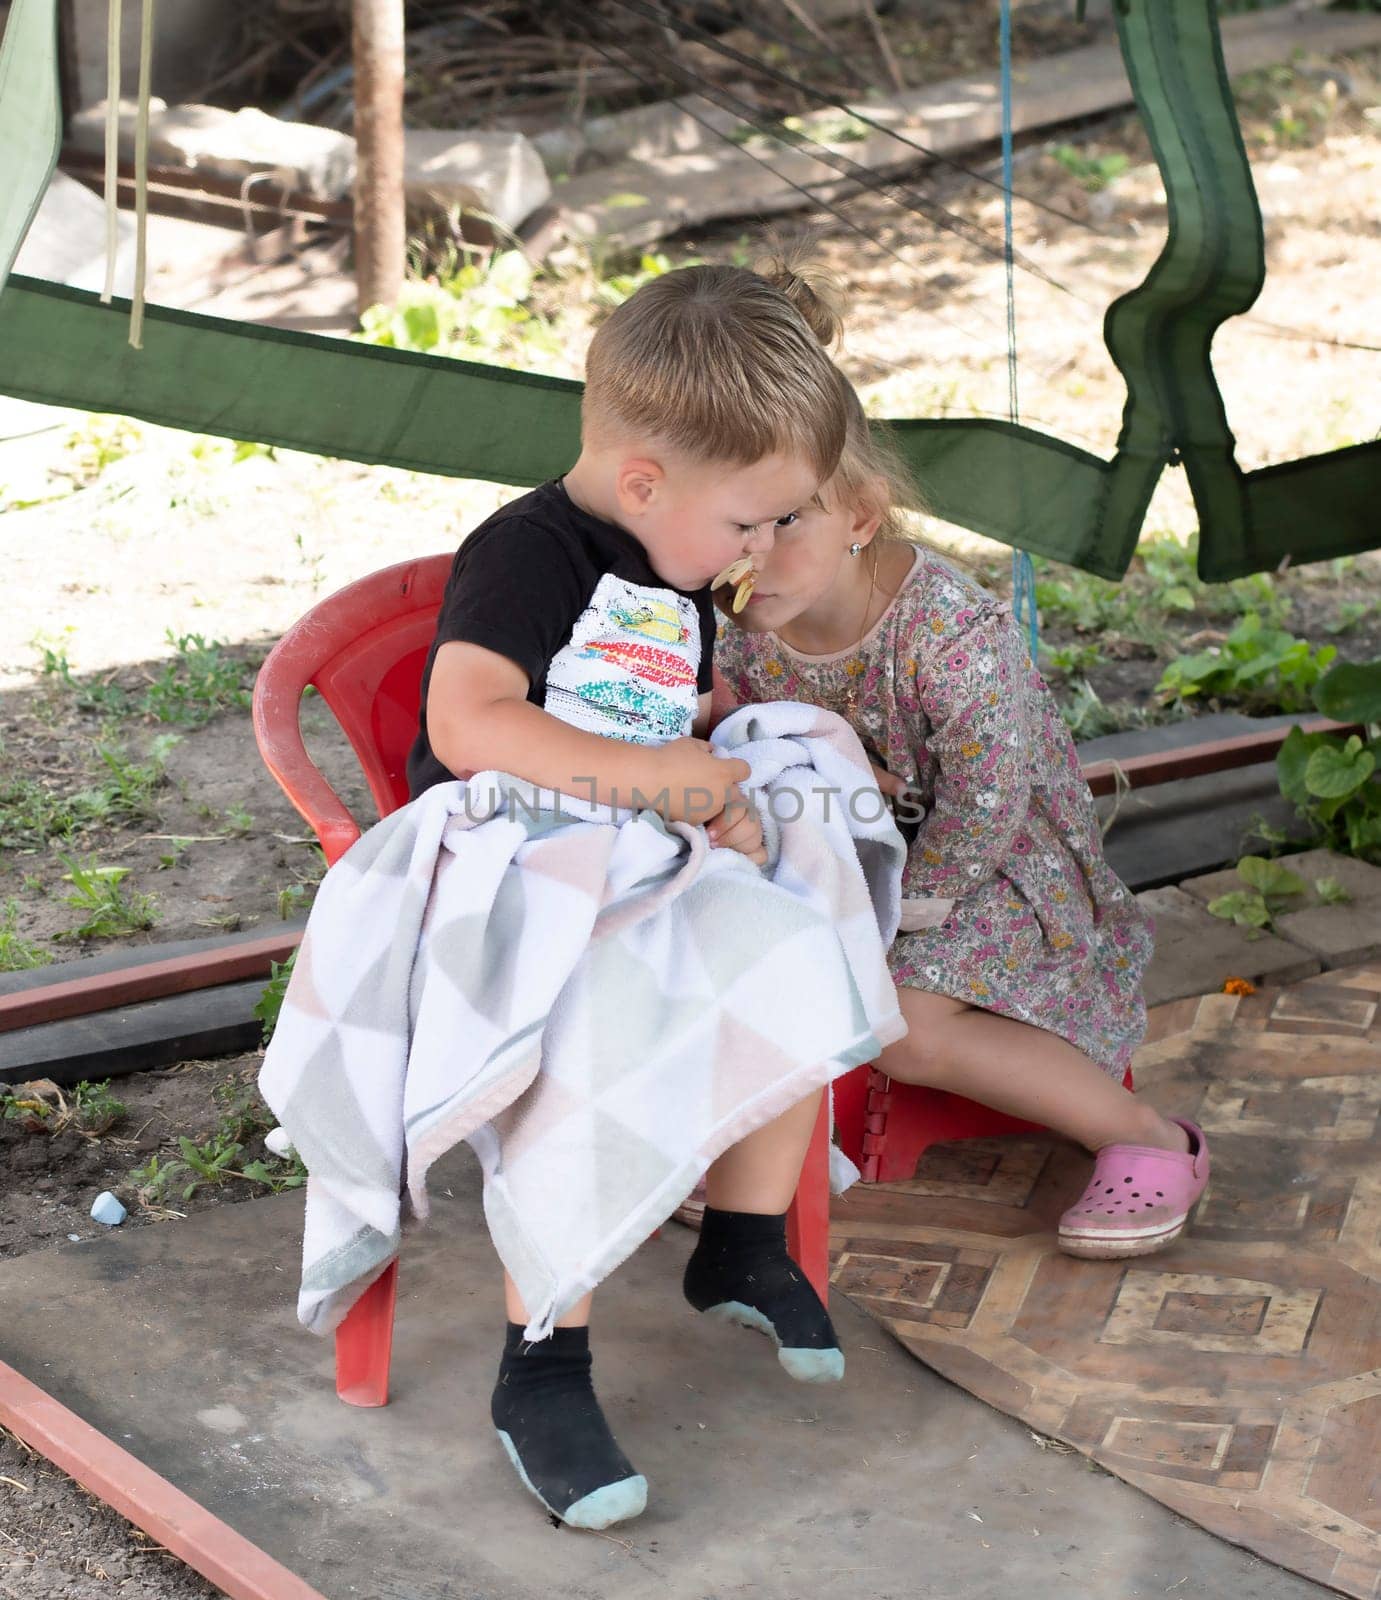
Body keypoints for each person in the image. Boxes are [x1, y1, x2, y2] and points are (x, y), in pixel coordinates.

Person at [406, 264, 854, 1532]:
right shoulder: (530, 549)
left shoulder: (672, 550)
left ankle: (745, 1231)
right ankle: (537, 1365)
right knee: (599, 1003)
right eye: (752, 525)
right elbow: (468, 719)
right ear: (647, 481)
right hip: (497, 860)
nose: (760, 555)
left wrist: (706, 762)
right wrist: (658, 779)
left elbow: (644, 701)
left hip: (622, 832)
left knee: (801, 891)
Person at [713, 256, 1209, 1266]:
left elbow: (988, 799)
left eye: (785, 520)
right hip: (847, 848)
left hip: (979, 868)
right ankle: (754, 1157)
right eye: (731, 523)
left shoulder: (947, 636)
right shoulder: (741, 623)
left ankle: (1146, 1136)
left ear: (860, 514)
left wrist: (903, 911)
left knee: (901, 1022)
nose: (751, 552)